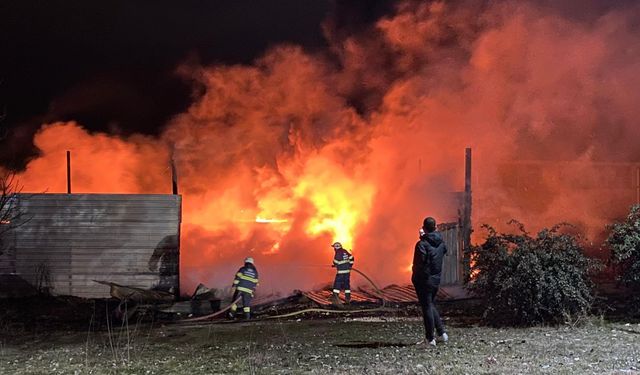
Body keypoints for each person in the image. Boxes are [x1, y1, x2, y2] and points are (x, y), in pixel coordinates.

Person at [412, 217, 449, 347]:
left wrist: (416, 277)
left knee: (426, 307)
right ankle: (442, 333)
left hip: (424, 280)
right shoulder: (441, 242)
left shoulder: (422, 244)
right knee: (430, 304)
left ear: (424, 228)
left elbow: (419, 263)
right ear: (435, 227)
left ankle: (430, 338)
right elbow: (443, 251)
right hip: (436, 279)